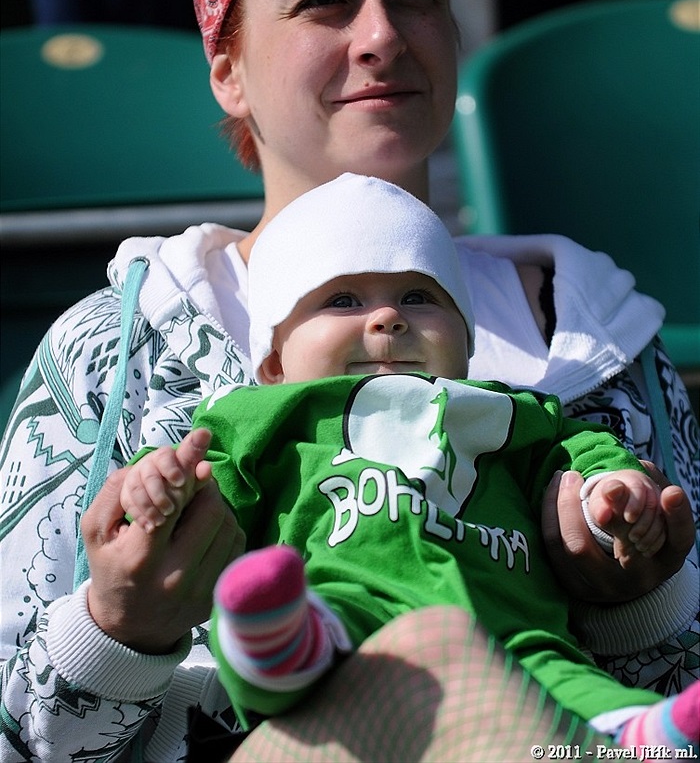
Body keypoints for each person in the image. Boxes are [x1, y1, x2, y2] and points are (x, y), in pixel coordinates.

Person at [0, 0, 697, 761]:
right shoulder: (117, 347)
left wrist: (632, 599)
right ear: (228, 68)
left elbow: (679, 700)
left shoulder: (597, 331)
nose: (382, 34)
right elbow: (24, 736)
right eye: (324, 1)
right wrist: (120, 629)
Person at [119, 173, 699, 754]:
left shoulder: (503, 412)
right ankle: (286, 649)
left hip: (509, 629)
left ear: (467, 347)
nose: (387, 318)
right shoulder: (263, 414)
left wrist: (611, 493)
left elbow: (579, 452)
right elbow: (205, 477)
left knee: (560, 673)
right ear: (273, 362)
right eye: (342, 300)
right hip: (342, 621)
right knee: (281, 616)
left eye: (419, 297)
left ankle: (634, 729)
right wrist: (159, 484)